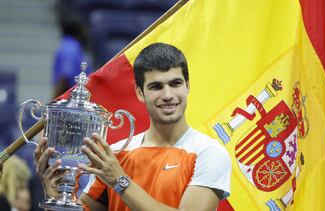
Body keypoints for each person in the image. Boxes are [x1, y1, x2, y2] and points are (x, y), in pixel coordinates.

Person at [34, 43, 232, 210]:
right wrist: (56, 196)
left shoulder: (209, 153)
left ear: (187, 86)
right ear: (139, 93)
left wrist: (120, 181)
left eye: (175, 83)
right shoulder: (115, 154)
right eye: (156, 86)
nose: (168, 94)